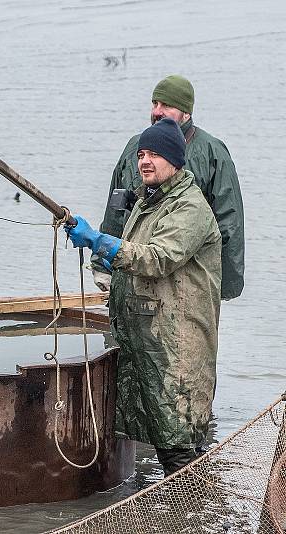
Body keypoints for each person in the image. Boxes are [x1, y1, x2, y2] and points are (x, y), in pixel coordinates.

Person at [67, 118, 222, 477]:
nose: (145, 161)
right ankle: (179, 512)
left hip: (177, 347)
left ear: (176, 160)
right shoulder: (147, 202)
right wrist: (104, 255)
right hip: (148, 341)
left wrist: (101, 241)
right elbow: (134, 254)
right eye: (141, 154)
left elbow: (157, 257)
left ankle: (192, 517)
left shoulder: (189, 207)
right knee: (159, 435)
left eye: (155, 154)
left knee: (178, 446)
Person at [92, 75, 244, 301]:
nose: (157, 111)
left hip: (188, 277)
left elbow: (229, 222)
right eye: (155, 104)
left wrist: (225, 286)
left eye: (166, 105)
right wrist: (102, 265)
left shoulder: (213, 153)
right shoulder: (135, 147)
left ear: (186, 112)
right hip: (134, 270)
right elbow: (117, 208)